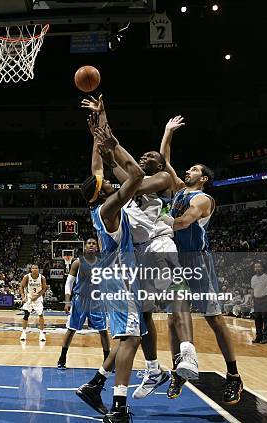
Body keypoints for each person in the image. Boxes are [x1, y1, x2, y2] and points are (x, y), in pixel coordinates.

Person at [85, 97, 199, 399]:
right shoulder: (128, 188)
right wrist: (101, 124)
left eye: (152, 155)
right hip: (136, 255)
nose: (146, 157)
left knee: (177, 293)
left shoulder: (162, 180)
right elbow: (110, 161)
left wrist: (111, 140)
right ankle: (151, 368)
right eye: (143, 155)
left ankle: (187, 353)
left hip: (159, 244)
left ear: (162, 165)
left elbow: (128, 169)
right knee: (144, 314)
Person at [161, 130, 244, 404]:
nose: (188, 171)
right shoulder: (179, 191)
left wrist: (153, 226)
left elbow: (184, 221)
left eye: (194, 169)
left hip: (197, 261)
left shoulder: (202, 199)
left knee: (214, 319)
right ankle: (178, 370)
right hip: (176, 262)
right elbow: (165, 162)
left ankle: (233, 375)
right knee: (174, 320)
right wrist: (167, 133)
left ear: (204, 178)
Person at [75, 107, 145, 422]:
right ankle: (118, 408)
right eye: (104, 180)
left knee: (127, 337)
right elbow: (137, 176)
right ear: (102, 189)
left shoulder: (99, 206)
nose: (106, 179)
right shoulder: (110, 208)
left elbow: (96, 165)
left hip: (113, 278)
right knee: (131, 339)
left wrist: (97, 130)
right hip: (120, 279)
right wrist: (112, 143)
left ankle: (95, 384)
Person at [57, 238, 111, 370]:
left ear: (97, 247)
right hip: (80, 299)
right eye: (89, 243)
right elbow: (68, 283)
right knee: (71, 329)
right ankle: (62, 358)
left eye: (94, 243)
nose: (91, 245)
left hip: (97, 300)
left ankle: (107, 361)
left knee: (103, 331)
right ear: (85, 247)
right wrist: (67, 301)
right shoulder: (77, 262)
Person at [19, 264, 48, 342]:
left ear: (38, 269)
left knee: (40, 315)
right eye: (33, 268)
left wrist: (37, 296)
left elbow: (44, 288)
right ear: (31, 269)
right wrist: (23, 297)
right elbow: (21, 286)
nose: (35, 269)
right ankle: (23, 332)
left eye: (36, 268)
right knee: (26, 315)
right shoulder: (27, 277)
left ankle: (41, 333)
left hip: (38, 298)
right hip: (29, 297)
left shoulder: (42, 278)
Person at [251, 262, 267, 343]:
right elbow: (252, 290)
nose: (257, 268)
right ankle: (259, 336)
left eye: (259, 267)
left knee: (266, 319)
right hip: (256, 300)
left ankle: (266, 338)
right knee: (257, 319)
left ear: (262, 268)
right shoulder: (253, 278)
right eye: (255, 267)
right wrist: (251, 300)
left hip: (265, 299)